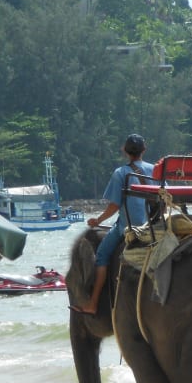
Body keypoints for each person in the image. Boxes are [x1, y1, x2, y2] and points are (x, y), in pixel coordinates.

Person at [72, 134, 152, 315]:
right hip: (151, 227)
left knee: (101, 256)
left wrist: (97, 221)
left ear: (125, 151)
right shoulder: (154, 170)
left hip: (127, 227)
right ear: (144, 151)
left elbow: (114, 206)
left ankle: (93, 304)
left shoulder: (121, 173)